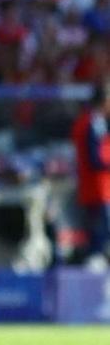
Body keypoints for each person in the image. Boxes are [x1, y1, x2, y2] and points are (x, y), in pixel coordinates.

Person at [72, 79, 110, 263]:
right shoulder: (92, 123)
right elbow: (95, 159)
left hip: (94, 189)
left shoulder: (88, 121)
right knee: (99, 239)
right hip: (98, 190)